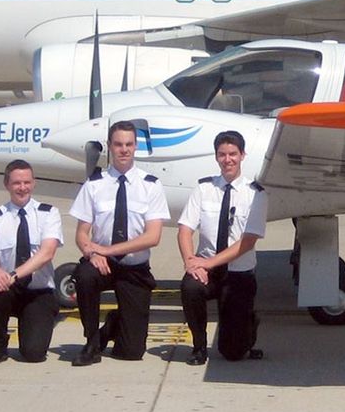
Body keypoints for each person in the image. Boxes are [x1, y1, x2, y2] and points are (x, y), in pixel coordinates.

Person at [69, 121, 170, 365]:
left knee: (132, 352)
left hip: (135, 268)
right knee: (84, 276)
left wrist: (107, 249)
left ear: (135, 147)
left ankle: (114, 324)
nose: (123, 149)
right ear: (109, 147)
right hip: (102, 263)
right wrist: (92, 254)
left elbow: (152, 237)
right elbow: (82, 233)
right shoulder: (94, 184)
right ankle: (92, 342)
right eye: (118, 144)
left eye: (128, 144)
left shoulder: (151, 185)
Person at [178, 130, 268, 364]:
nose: (227, 159)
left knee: (233, 354)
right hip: (207, 270)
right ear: (216, 157)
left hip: (239, 274)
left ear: (242, 155)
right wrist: (191, 263)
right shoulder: (203, 189)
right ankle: (199, 346)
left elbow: (248, 241)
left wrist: (207, 262)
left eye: (233, 154)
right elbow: (185, 230)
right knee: (190, 288)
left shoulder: (255, 194)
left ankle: (249, 325)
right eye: (222, 154)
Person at [0, 159, 65, 363]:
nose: (22, 187)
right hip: (9, 290)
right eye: (17, 183)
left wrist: (12, 275)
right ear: (6, 184)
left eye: (27, 182)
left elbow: (46, 253)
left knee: (34, 354)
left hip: (38, 292)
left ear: (33, 183)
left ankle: (31, 330)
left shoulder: (48, 213)